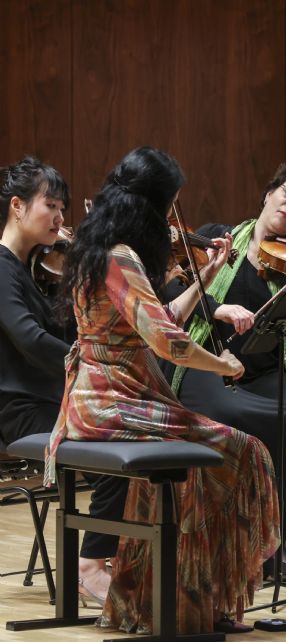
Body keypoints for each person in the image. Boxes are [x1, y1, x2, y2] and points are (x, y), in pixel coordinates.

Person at [46, 147, 280, 634]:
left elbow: (161, 320)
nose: (172, 220)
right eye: (169, 205)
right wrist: (222, 364)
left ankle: (188, 600)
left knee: (203, 467)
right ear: (151, 208)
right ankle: (179, 597)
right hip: (109, 401)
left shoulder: (101, 249)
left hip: (113, 394)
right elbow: (169, 343)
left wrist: (207, 276)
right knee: (245, 451)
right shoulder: (119, 257)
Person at [162, 159, 286, 582]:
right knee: (232, 415)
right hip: (205, 361)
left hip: (262, 369)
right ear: (269, 194)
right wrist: (216, 307)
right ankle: (234, 538)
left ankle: (279, 542)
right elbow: (172, 287)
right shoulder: (216, 237)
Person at [0, 156, 128, 607]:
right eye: (50, 205)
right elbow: (30, 340)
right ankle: (89, 567)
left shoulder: (32, 268)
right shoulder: (1, 268)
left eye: (62, 207)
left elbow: (68, 331)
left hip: (58, 402)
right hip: (24, 412)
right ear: (17, 206)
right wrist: (94, 363)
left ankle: (120, 562)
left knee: (140, 440)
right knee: (119, 452)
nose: (59, 217)